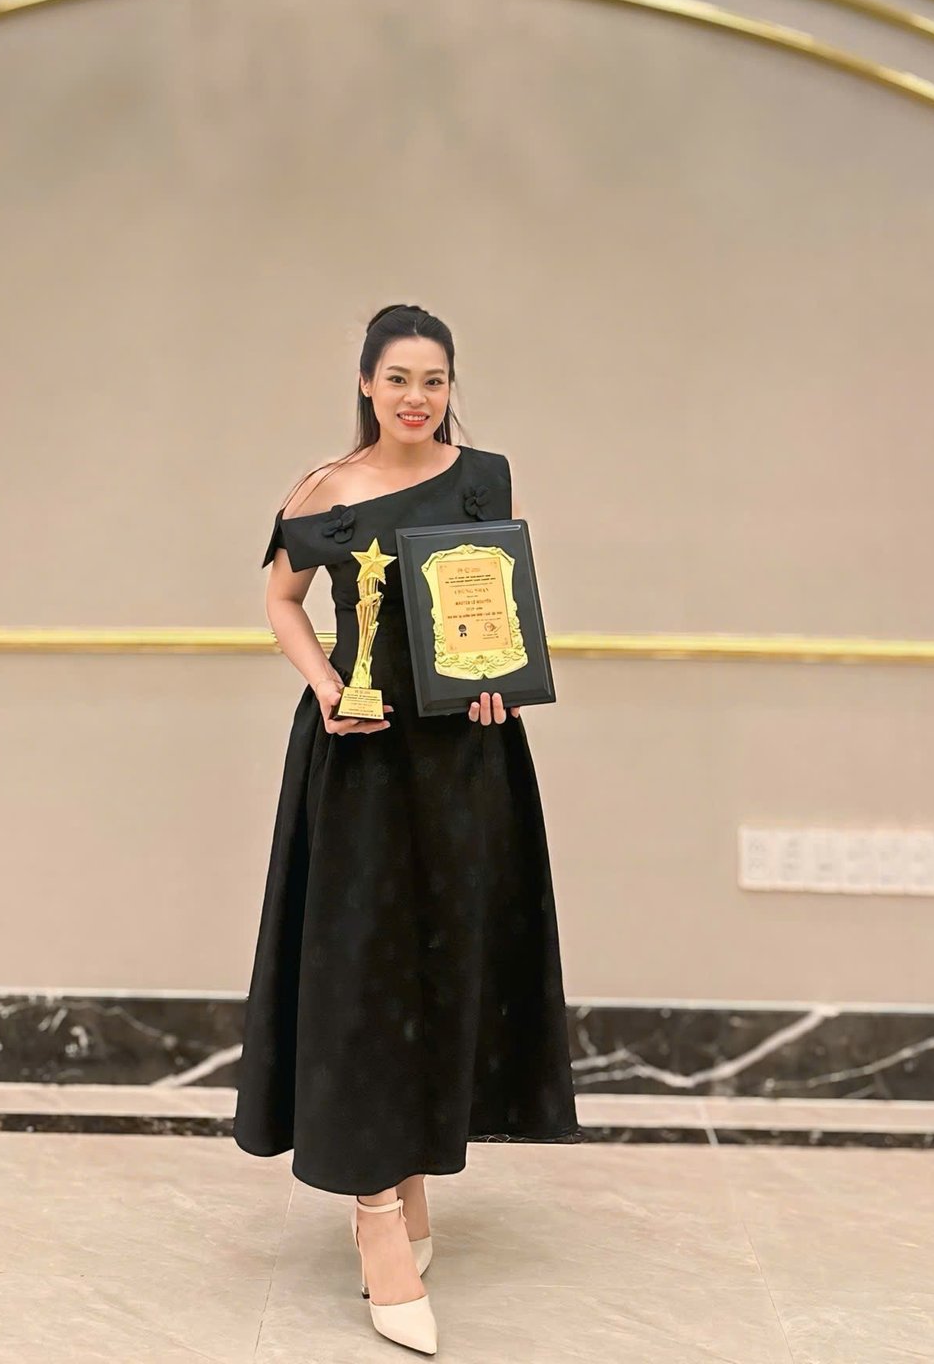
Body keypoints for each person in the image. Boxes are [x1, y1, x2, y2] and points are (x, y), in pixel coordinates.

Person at [234, 302, 581, 1355]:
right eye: (398, 378)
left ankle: (412, 1172)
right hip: (364, 758)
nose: (416, 397)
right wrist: (326, 683)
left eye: (433, 379)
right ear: (366, 384)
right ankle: (376, 1213)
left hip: (467, 760)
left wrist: (495, 679)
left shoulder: (485, 477)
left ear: (450, 385)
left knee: (443, 964)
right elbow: (281, 598)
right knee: (366, 976)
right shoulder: (325, 489)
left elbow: (490, 603)